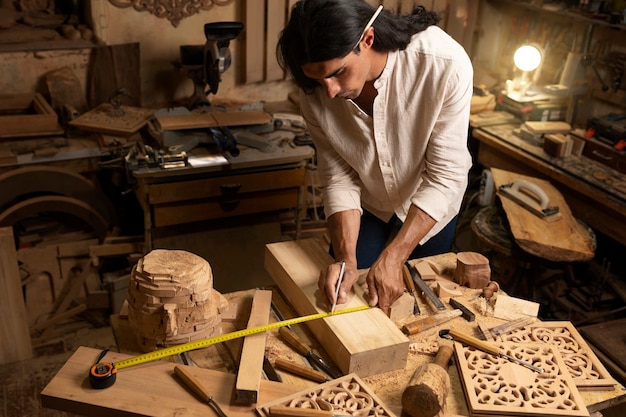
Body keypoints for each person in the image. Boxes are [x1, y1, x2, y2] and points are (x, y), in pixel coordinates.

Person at [276, 0, 473, 316]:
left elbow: (445, 177)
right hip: (370, 205)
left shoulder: (443, 63)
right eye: (317, 80)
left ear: (367, 40)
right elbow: (338, 174)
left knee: (417, 306)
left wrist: (395, 256)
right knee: (344, 296)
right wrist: (345, 260)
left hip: (430, 203)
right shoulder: (316, 93)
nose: (329, 92)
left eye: (339, 73)